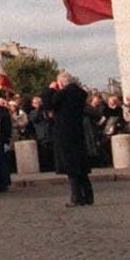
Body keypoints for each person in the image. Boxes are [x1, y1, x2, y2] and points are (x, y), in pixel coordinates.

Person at [44, 72, 93, 206]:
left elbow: (48, 104)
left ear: (61, 83)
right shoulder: (81, 93)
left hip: (64, 132)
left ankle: (76, 197)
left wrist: (51, 89)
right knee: (81, 166)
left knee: (71, 166)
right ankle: (88, 196)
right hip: (77, 131)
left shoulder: (62, 94)